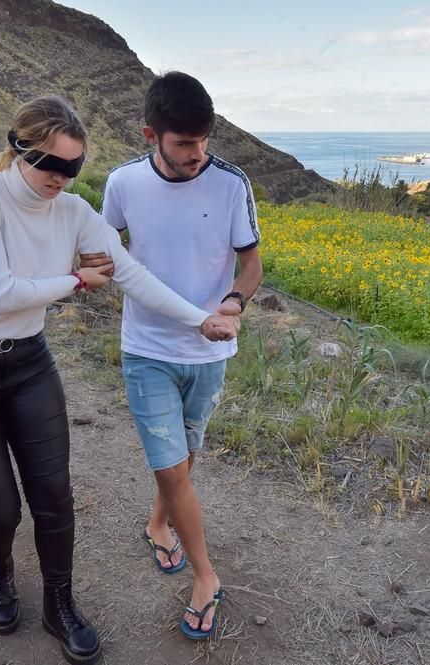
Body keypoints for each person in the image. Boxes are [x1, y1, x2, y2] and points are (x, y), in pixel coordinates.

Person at [0, 95, 239, 665]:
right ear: (18, 150)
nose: (60, 179)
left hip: (28, 364)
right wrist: (77, 280)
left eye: (73, 168)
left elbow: (133, 275)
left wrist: (200, 318)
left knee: (55, 498)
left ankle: (60, 604)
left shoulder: (73, 212)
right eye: (50, 165)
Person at [81, 71, 262, 640]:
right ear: (149, 135)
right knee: (167, 461)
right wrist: (87, 273)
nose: (197, 155)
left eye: (204, 142)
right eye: (184, 144)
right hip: (147, 348)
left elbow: (251, 264)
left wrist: (234, 301)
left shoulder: (233, 184)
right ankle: (205, 576)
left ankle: (159, 522)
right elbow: (105, 253)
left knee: (184, 456)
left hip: (211, 352)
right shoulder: (123, 184)